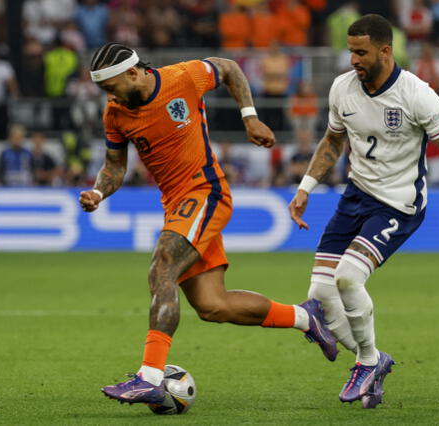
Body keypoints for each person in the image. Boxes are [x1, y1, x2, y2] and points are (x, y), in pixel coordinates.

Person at [78, 42, 338, 405]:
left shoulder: (182, 77)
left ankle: (150, 376)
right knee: (213, 306)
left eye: (110, 87)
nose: (109, 97)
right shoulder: (115, 114)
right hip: (176, 205)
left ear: (133, 73)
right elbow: (115, 167)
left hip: (205, 192)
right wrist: (97, 192)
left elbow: (229, 67)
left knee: (162, 267)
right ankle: (305, 317)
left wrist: (249, 117)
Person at [288, 14, 439, 409]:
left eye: (361, 52)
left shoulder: (417, 95)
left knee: (348, 279)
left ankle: (367, 364)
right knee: (319, 291)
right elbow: (332, 142)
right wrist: (305, 188)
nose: (353, 59)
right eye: (351, 51)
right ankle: (374, 362)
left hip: (399, 204)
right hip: (356, 195)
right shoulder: (342, 88)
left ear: (385, 51)